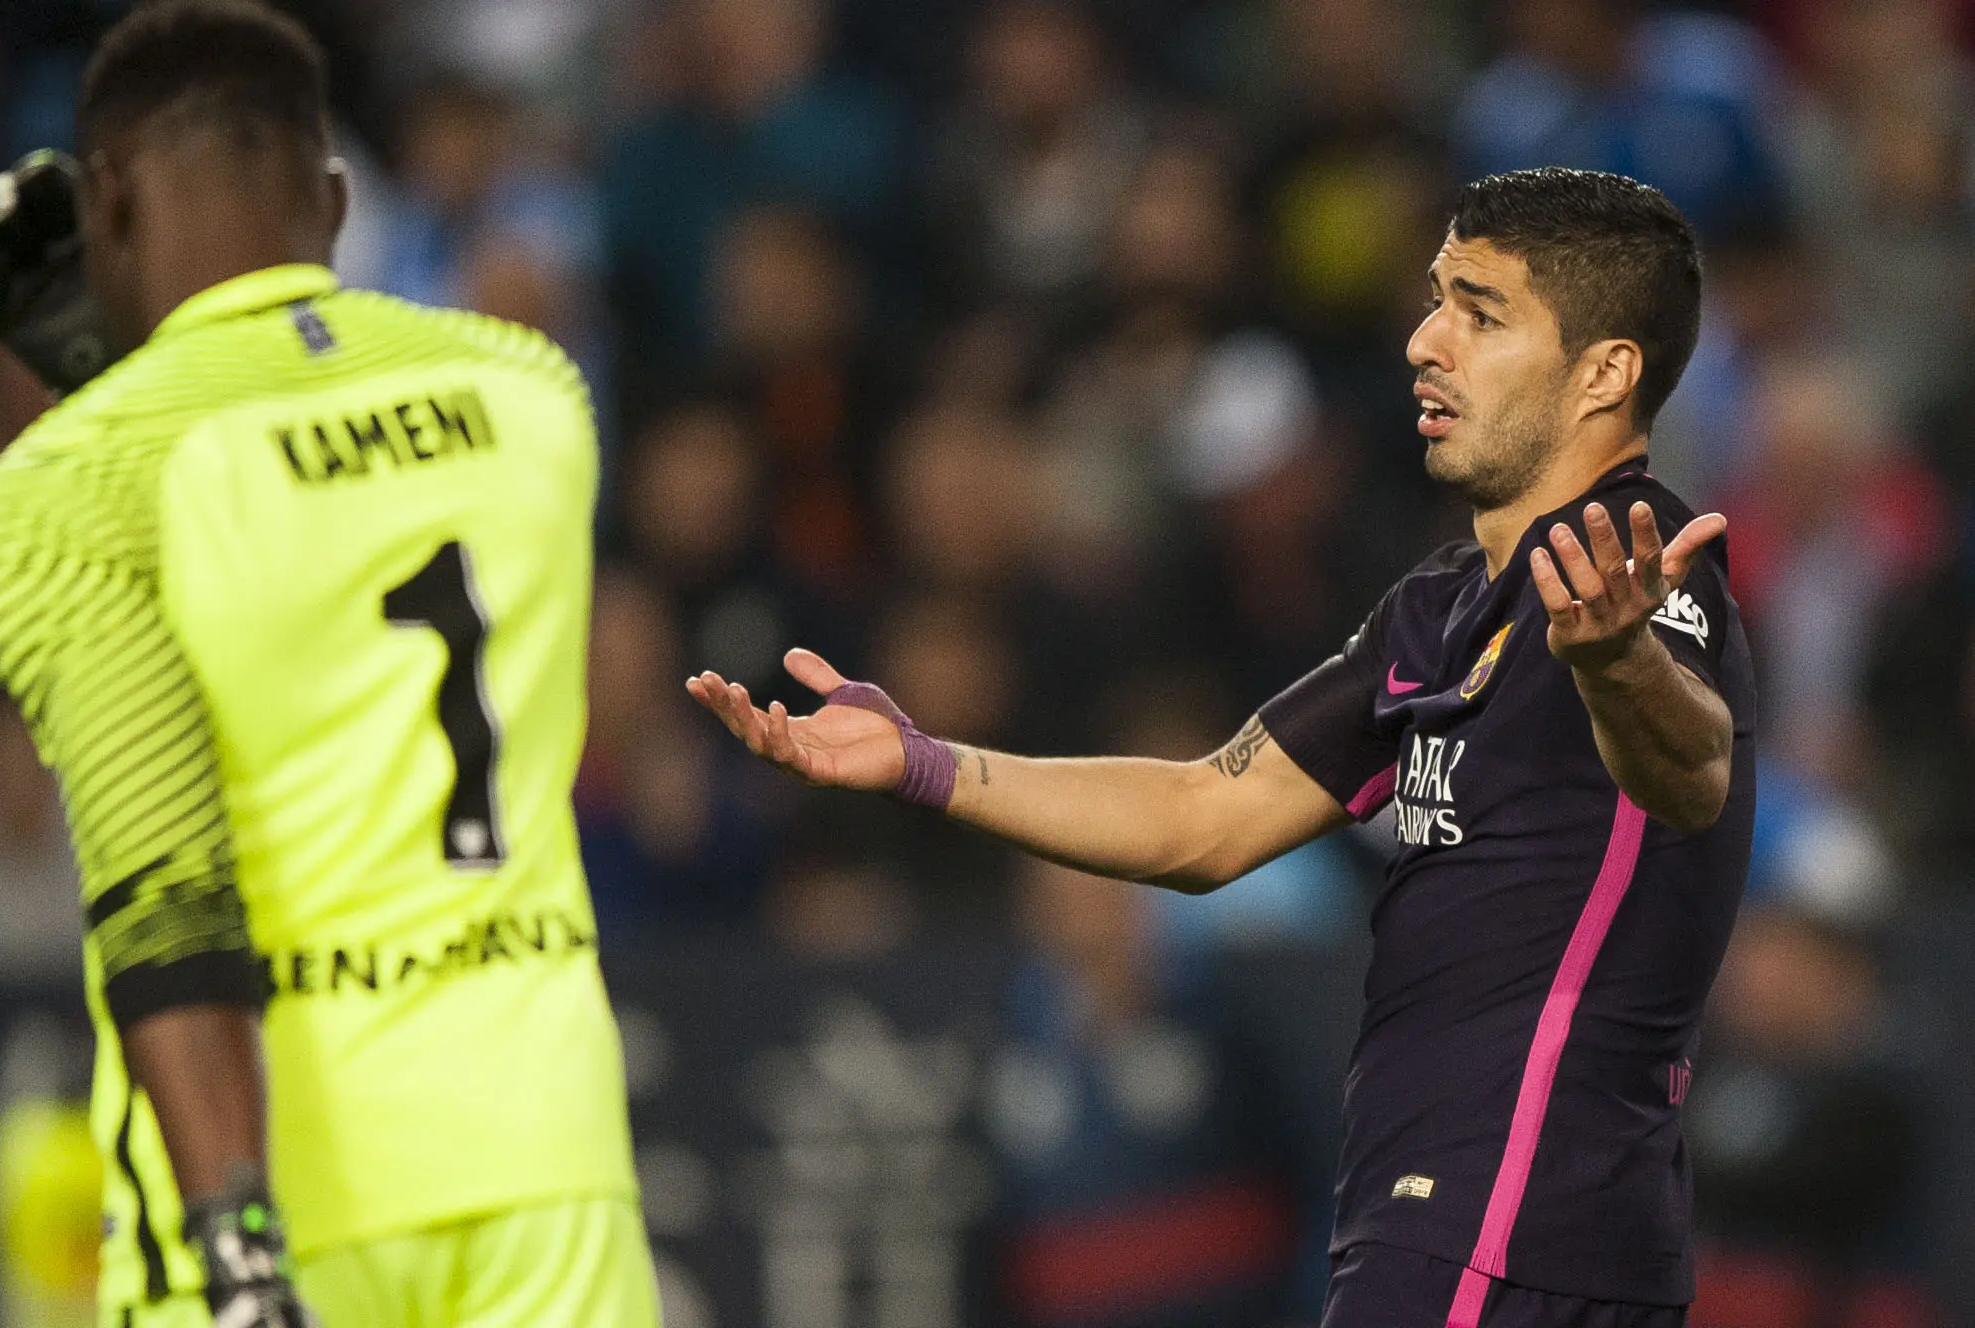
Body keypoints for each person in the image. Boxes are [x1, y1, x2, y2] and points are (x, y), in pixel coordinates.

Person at [691, 167, 1755, 1328]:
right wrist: (924, 762)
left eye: (1479, 312)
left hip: (1500, 1226)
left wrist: (1614, 662)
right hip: (1489, 1230)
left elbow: (1692, 771)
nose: (1422, 341)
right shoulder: (1439, 608)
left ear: (1604, 371)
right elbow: (1203, 816)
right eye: (1434, 299)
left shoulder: (1634, 571)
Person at [0, 3, 654, 1326]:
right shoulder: (531, 394)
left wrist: (236, 1246)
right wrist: (116, 367)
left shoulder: (65, 488)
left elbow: (164, 882)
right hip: (544, 1163)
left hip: (274, 1172)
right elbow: (322, 494)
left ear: (110, 210)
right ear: (330, 199)